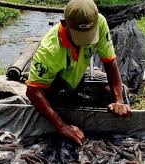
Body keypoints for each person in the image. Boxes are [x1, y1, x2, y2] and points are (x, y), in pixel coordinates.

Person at [26, 0, 131, 145]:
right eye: (79, 36)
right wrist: (61, 126)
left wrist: (118, 100)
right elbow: (32, 91)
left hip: (79, 74)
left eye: (89, 36)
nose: (85, 42)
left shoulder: (100, 23)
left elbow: (109, 62)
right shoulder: (49, 49)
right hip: (56, 83)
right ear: (64, 25)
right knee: (49, 103)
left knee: (120, 92)